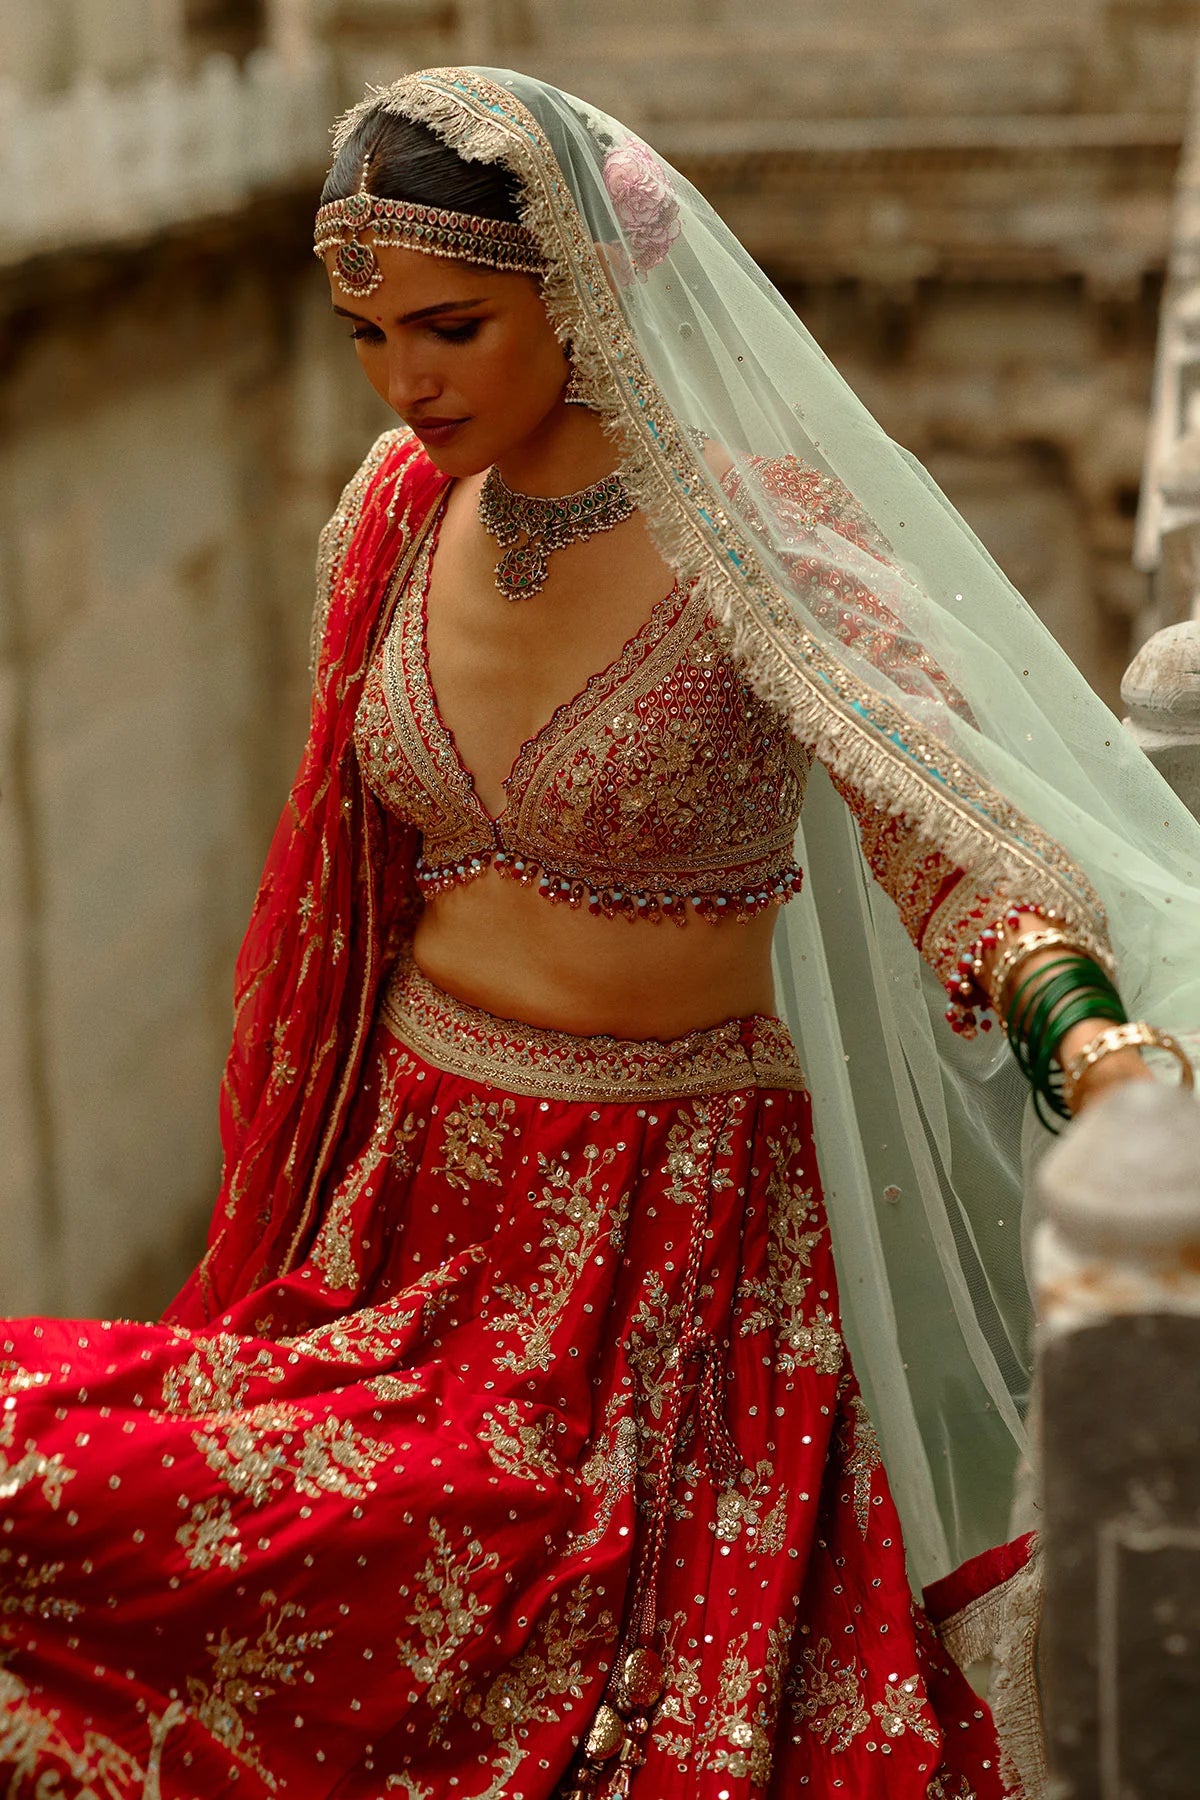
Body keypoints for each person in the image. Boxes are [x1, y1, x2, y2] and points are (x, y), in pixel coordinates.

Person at [2, 66, 1198, 1800]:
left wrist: (1075, 1024)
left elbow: (951, 832)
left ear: (573, 280)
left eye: (451, 327)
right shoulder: (395, 521)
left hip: (664, 1263)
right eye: (364, 335)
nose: (404, 380)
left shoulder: (758, 537)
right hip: (404, 1218)